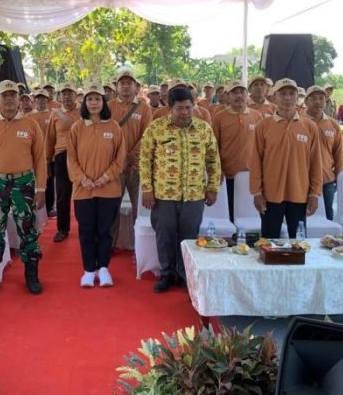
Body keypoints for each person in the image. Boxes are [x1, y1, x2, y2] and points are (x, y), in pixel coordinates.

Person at [141, 86, 220, 292]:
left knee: (189, 236)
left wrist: (212, 187)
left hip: (194, 194)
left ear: (194, 106)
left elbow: (213, 160)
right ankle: (167, 273)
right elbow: (145, 160)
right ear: (170, 108)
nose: (184, 112)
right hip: (163, 194)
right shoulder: (156, 128)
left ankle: (186, 274)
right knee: (164, 235)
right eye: (179, 108)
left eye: (188, 108)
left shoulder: (204, 129)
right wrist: (147, 189)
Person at [0, 80, 47, 295]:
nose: (9, 99)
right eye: (4, 95)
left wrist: (41, 189)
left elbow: (40, 159)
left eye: (13, 95)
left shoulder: (31, 125)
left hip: (24, 183)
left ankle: (31, 276)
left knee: (28, 230)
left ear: (19, 99)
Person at [67, 83, 126, 287]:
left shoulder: (114, 127)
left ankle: (104, 268)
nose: (94, 103)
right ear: (85, 103)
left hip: (108, 189)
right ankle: (88, 271)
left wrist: (106, 177)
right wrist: (82, 178)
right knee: (86, 231)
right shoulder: (77, 128)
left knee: (105, 231)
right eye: (90, 99)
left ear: (103, 102)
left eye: (98, 99)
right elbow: (71, 158)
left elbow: (120, 158)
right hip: (83, 190)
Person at [249, 78, 323, 238]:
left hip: (299, 194)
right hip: (270, 195)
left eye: (291, 94)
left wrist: (315, 194)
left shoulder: (310, 127)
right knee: (269, 243)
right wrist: (256, 192)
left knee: (298, 244)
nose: (287, 98)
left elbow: (316, 163)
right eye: (282, 94)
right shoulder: (263, 126)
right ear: (274, 97)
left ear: (297, 97)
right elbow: (255, 161)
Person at [108, 69, 154, 246]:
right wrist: (119, 157)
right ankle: (110, 245)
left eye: (129, 83)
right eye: (122, 83)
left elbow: (147, 135)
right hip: (115, 166)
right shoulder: (109, 107)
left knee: (139, 208)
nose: (126, 86)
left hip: (136, 166)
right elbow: (106, 133)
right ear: (116, 87)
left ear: (136, 87)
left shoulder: (144, 108)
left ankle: (139, 247)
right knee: (112, 208)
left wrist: (131, 155)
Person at [211, 80, 262, 222]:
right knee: (230, 214)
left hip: (252, 177)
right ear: (227, 96)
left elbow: (263, 146)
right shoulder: (219, 117)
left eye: (242, 92)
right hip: (228, 176)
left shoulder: (257, 116)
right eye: (234, 92)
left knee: (252, 215)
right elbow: (213, 147)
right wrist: (217, 169)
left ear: (247, 95)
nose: (239, 95)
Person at [46, 82, 81, 242]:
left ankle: (85, 227)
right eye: (64, 94)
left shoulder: (84, 111)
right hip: (61, 156)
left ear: (76, 96)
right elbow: (50, 138)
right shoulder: (55, 114)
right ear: (60, 96)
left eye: (70, 93)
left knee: (82, 194)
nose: (67, 97)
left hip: (81, 155)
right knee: (62, 194)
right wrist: (47, 160)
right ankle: (62, 229)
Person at [303, 86, 343, 220]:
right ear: (306, 101)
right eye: (313, 98)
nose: (317, 102)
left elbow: (338, 154)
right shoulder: (298, 122)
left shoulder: (333, 125)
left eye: (321, 98)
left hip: (326, 181)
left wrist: (338, 176)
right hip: (302, 179)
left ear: (326, 101)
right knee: (301, 217)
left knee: (327, 216)